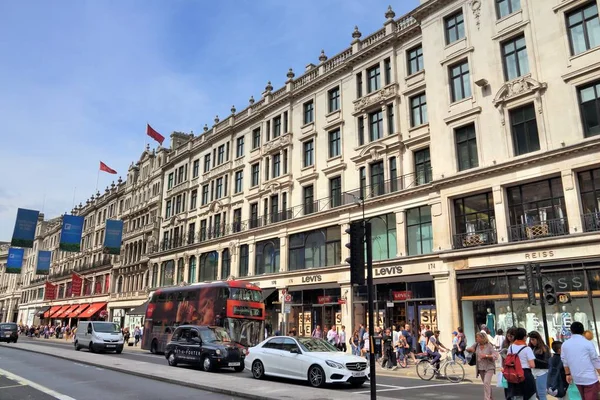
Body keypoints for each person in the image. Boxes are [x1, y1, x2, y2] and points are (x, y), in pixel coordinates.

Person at [561, 321, 600, 400]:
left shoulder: (565, 344)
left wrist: (567, 374)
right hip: (590, 378)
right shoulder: (587, 343)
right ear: (583, 331)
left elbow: (564, 361)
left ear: (571, 331)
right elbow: (595, 360)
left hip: (577, 377)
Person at [505, 327, 536, 400]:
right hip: (525, 374)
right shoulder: (527, 349)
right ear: (524, 337)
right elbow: (532, 365)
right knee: (530, 395)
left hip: (513, 374)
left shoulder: (511, 347)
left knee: (517, 396)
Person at [466, 332, 497, 400]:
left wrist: (486, 356)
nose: (476, 338)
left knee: (486, 382)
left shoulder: (489, 345)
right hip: (480, 367)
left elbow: (495, 356)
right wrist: (470, 349)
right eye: (476, 337)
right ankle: (490, 398)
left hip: (489, 367)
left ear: (483, 338)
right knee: (486, 384)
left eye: (478, 337)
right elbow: (468, 349)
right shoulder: (476, 344)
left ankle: (487, 398)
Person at [528, 331, 550, 400]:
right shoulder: (530, 348)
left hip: (542, 372)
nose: (532, 341)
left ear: (538, 339)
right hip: (533, 373)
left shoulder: (544, 348)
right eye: (531, 340)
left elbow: (547, 363)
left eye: (533, 339)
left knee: (541, 393)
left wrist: (534, 361)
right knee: (536, 394)